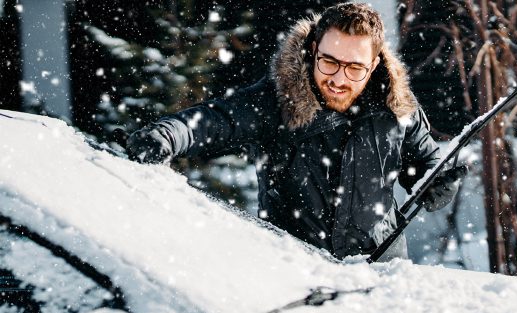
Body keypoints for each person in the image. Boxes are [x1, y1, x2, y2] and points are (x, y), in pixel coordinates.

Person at [126, 3, 466, 261]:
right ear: (313, 51)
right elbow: (216, 119)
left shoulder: (398, 108)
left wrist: (439, 184)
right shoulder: (279, 99)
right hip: (295, 270)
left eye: (355, 68)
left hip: (381, 271)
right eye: (329, 61)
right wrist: (167, 135)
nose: (339, 78)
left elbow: (429, 165)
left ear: (373, 65)